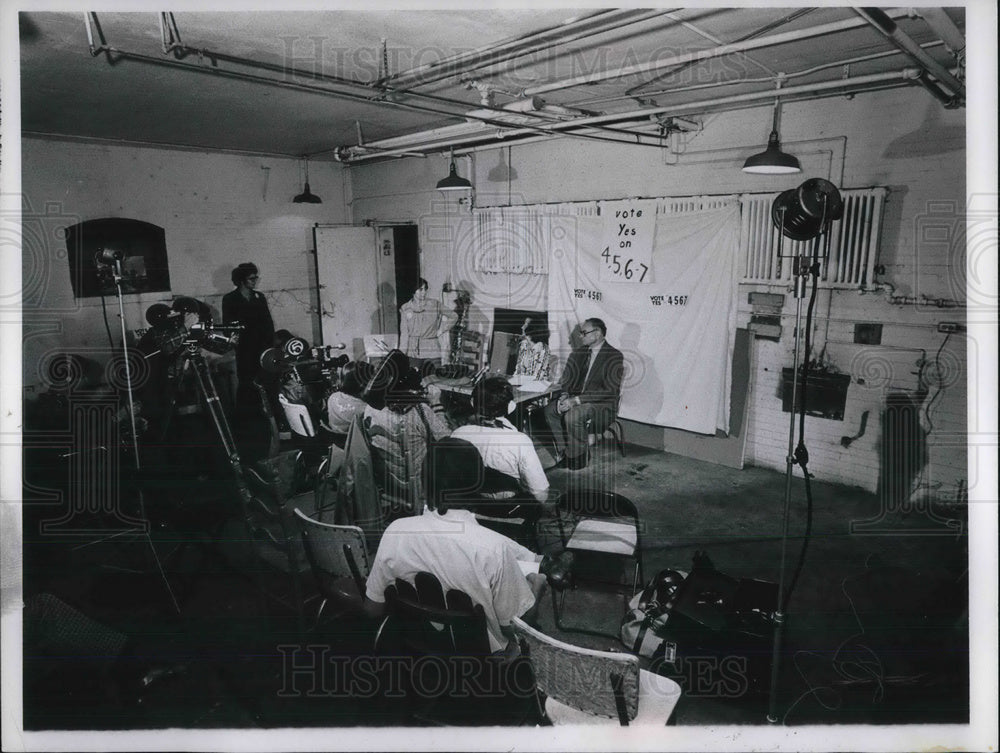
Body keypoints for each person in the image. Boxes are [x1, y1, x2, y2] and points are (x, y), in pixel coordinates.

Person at [362, 437, 548, 657]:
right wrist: (537, 587)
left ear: (424, 482)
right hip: (483, 663)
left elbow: (372, 609)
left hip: (416, 653)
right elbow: (515, 629)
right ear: (479, 485)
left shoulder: (395, 531)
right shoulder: (493, 549)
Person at [360, 349, 451, 516]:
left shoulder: (370, 408)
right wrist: (436, 403)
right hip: (419, 482)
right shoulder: (419, 411)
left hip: (385, 479)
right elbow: (447, 441)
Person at [451, 376, 550, 505]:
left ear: (473, 402)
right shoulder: (520, 441)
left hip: (468, 503)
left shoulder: (458, 434)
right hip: (508, 508)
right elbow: (541, 495)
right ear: (510, 406)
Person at [544, 317, 624, 470]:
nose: (580, 336)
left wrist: (576, 401)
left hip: (601, 405)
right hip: (576, 400)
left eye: (583, 333)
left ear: (597, 333)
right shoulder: (578, 353)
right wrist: (564, 395)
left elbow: (610, 390)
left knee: (573, 416)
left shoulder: (614, 356)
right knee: (550, 410)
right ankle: (566, 453)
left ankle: (579, 457)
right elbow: (567, 380)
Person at [222, 262, 274, 407]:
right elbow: (227, 325)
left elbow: (268, 323)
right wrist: (234, 340)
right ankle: (246, 414)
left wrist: (270, 346)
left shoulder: (259, 297)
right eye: (252, 278)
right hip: (244, 349)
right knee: (246, 383)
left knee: (265, 381)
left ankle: (266, 411)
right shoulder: (230, 299)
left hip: (262, 348)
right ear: (241, 280)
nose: (255, 281)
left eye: (256, 278)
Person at [398, 277, 452, 363]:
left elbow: (453, 316)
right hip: (413, 353)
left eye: (425, 289)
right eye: (420, 289)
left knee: (433, 371)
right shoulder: (405, 308)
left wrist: (442, 330)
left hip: (432, 352)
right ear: (413, 290)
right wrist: (402, 355)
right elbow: (404, 334)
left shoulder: (435, 304)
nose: (424, 292)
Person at [325, 360, 371, 434]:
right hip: (354, 440)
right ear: (363, 384)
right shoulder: (364, 409)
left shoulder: (333, 397)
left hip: (334, 438)